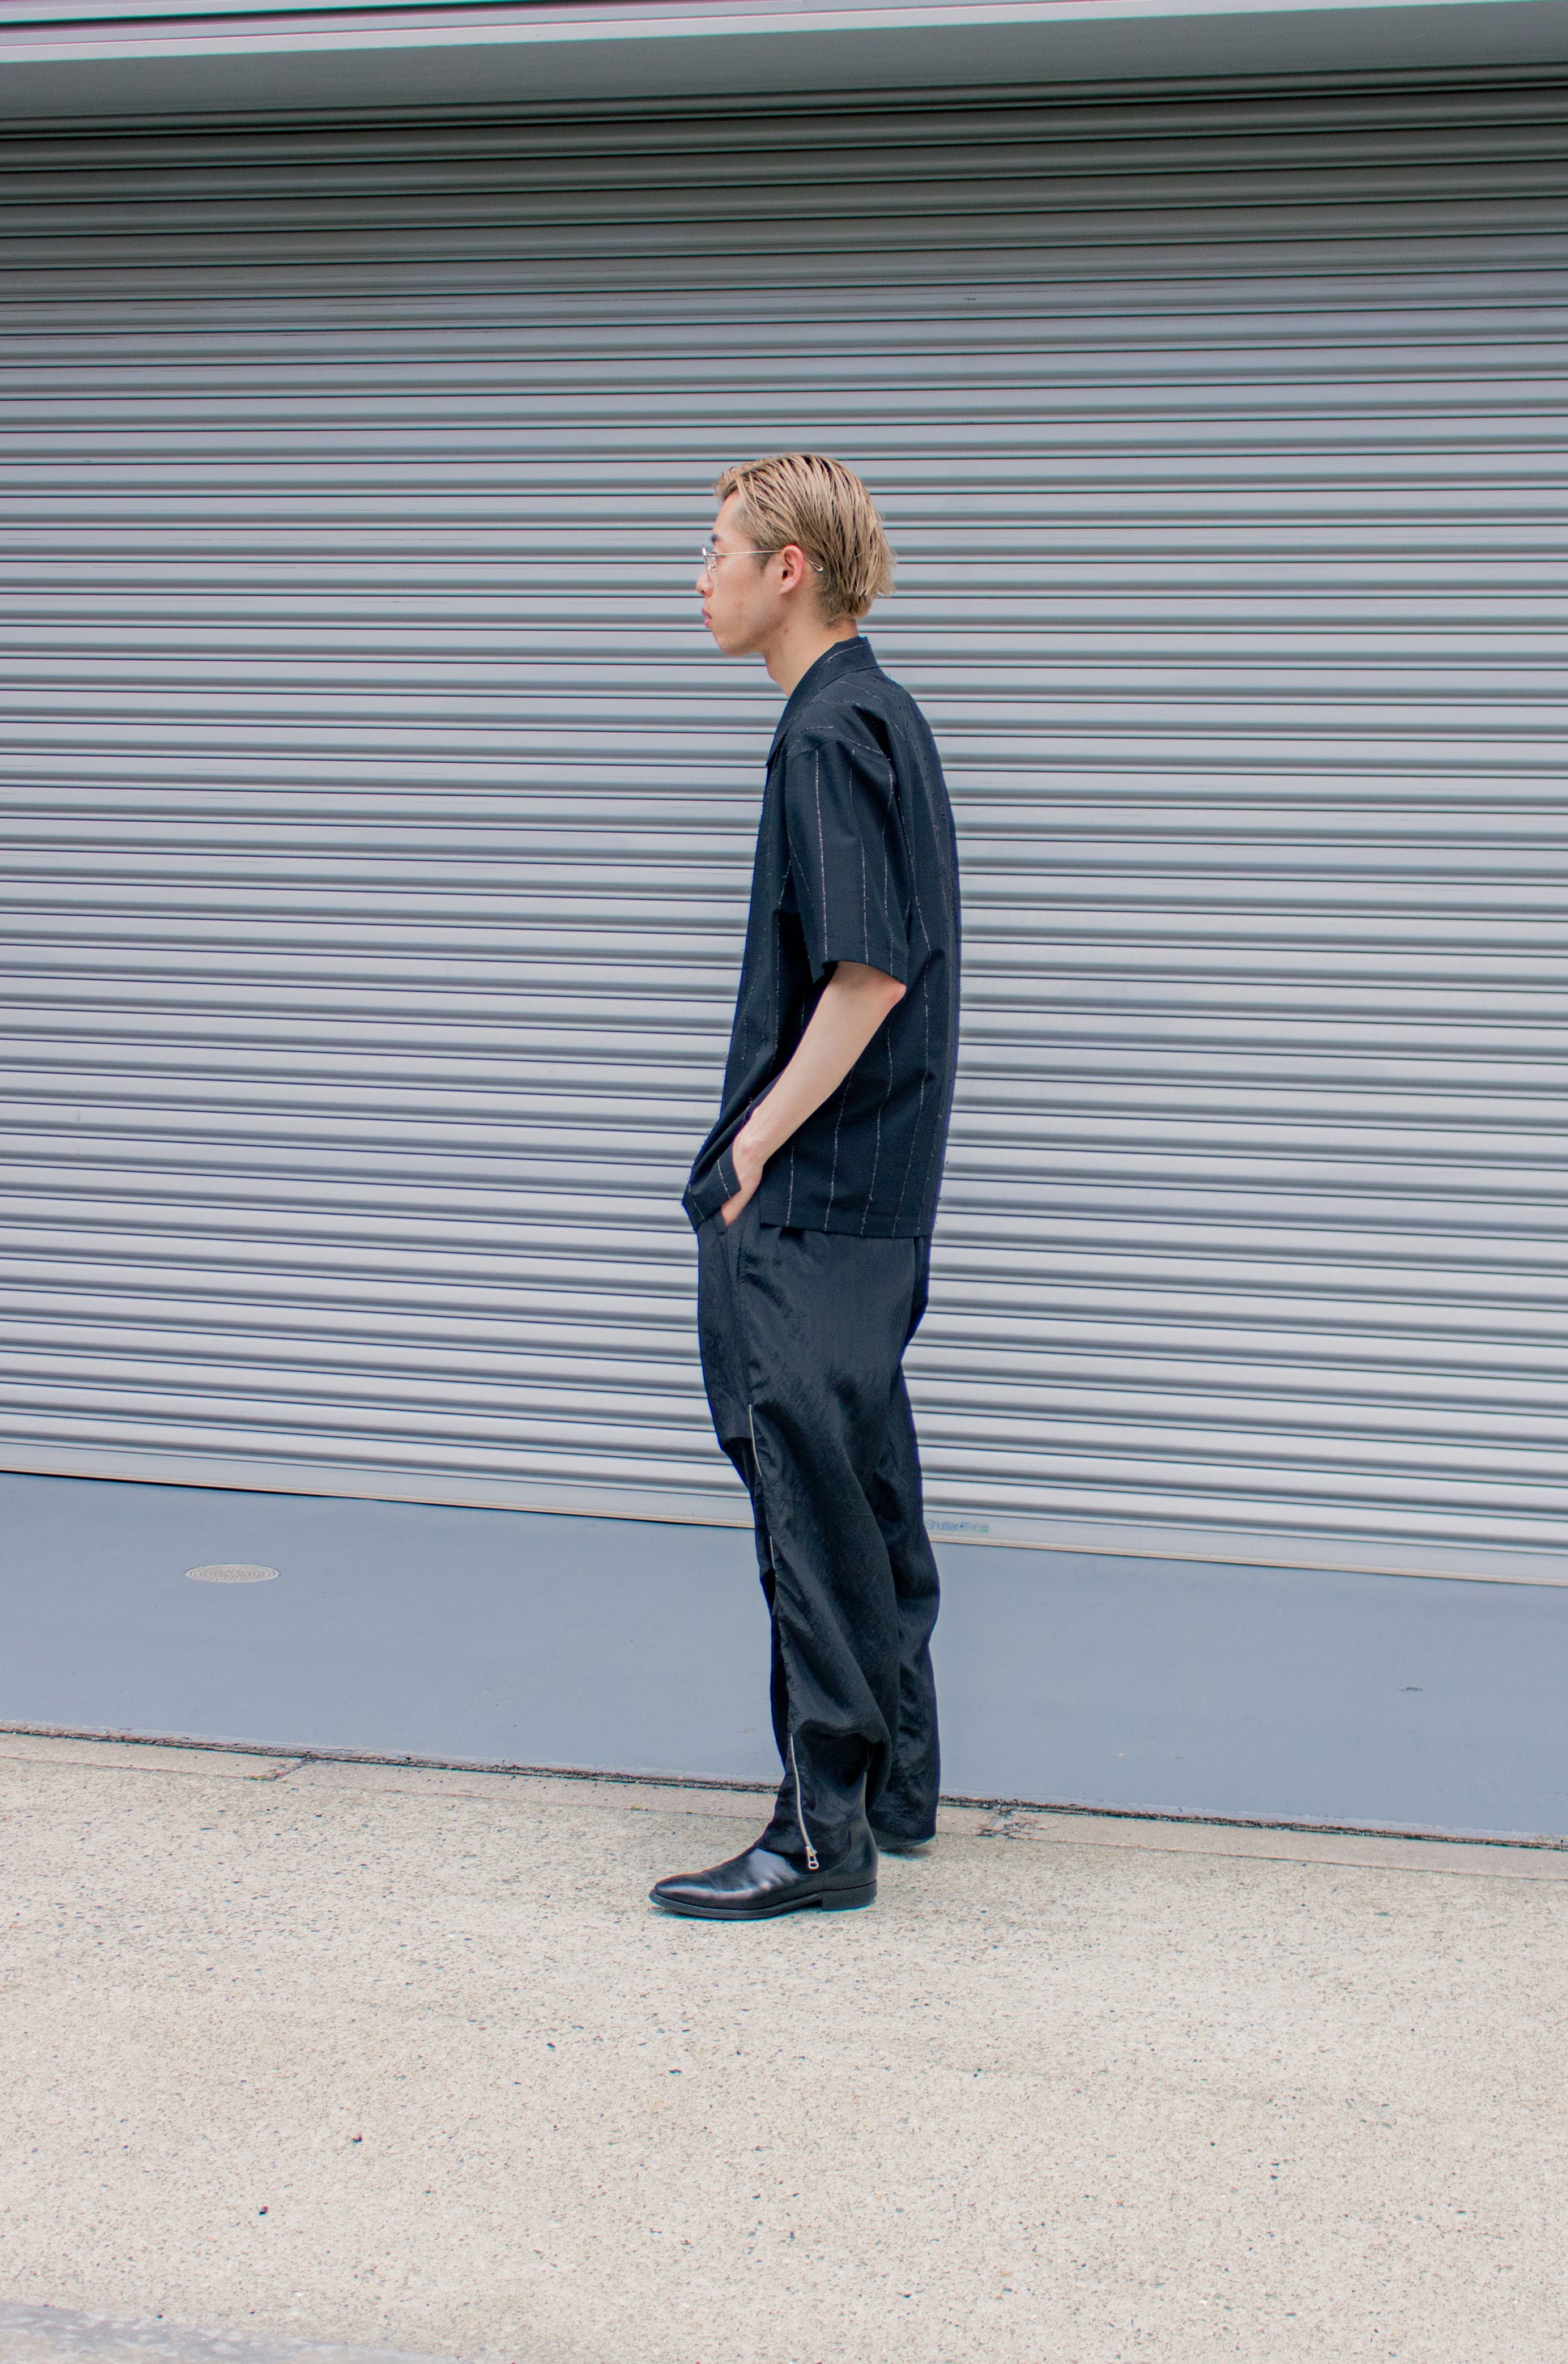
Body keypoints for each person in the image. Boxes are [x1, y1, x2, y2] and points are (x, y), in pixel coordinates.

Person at [650, 454, 961, 1922]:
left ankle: (818, 1832)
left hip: (815, 1196)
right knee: (864, 1483)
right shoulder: (882, 712)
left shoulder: (825, 732)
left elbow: (868, 969)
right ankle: (896, 1786)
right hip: (876, 1194)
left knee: (807, 1501)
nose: (696, 576)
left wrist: (755, 1144)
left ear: (788, 570)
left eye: (715, 548)